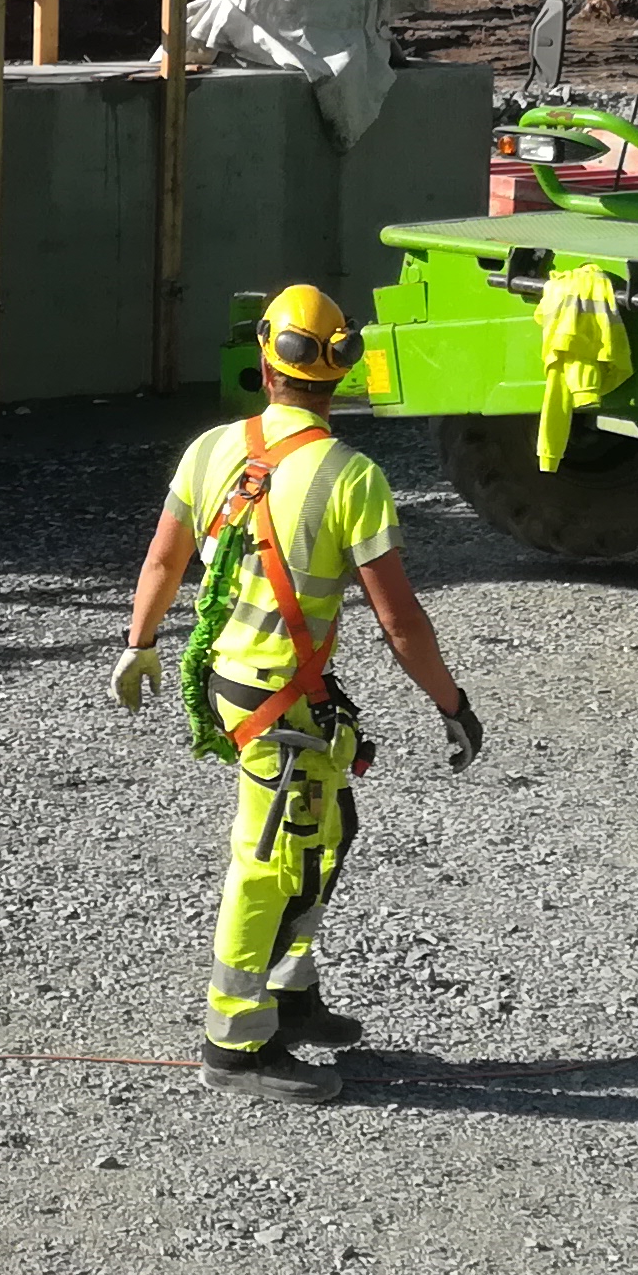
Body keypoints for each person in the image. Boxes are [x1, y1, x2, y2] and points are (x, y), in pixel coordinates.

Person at [110, 282, 483, 1103]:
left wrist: (140, 643)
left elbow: (165, 559)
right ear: (342, 368)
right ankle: (235, 1043)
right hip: (279, 698)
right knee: (269, 861)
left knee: (329, 828)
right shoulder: (352, 477)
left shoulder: (212, 450)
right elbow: (399, 619)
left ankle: (290, 990)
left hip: (236, 686)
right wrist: (451, 704)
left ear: (265, 359)